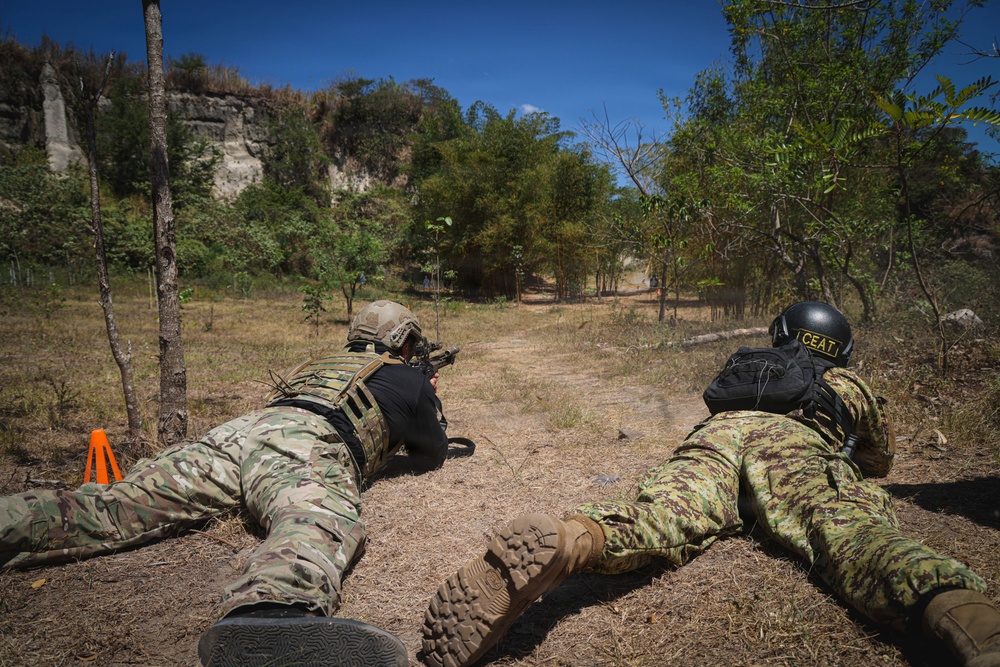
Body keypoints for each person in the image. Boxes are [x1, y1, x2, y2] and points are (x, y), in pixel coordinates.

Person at [421, 301, 1000, 667]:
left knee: (659, 513)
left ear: (782, 334)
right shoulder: (848, 384)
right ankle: (970, 620)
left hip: (716, 439)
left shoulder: (760, 367)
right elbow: (879, 462)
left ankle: (573, 537)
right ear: (842, 348)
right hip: (793, 450)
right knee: (848, 534)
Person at [1, 300, 450, 667]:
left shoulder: (320, 364)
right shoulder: (409, 377)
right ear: (402, 341)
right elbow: (431, 454)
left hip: (236, 432)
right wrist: (426, 392)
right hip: (303, 441)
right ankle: (273, 614)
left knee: (116, 503)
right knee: (315, 519)